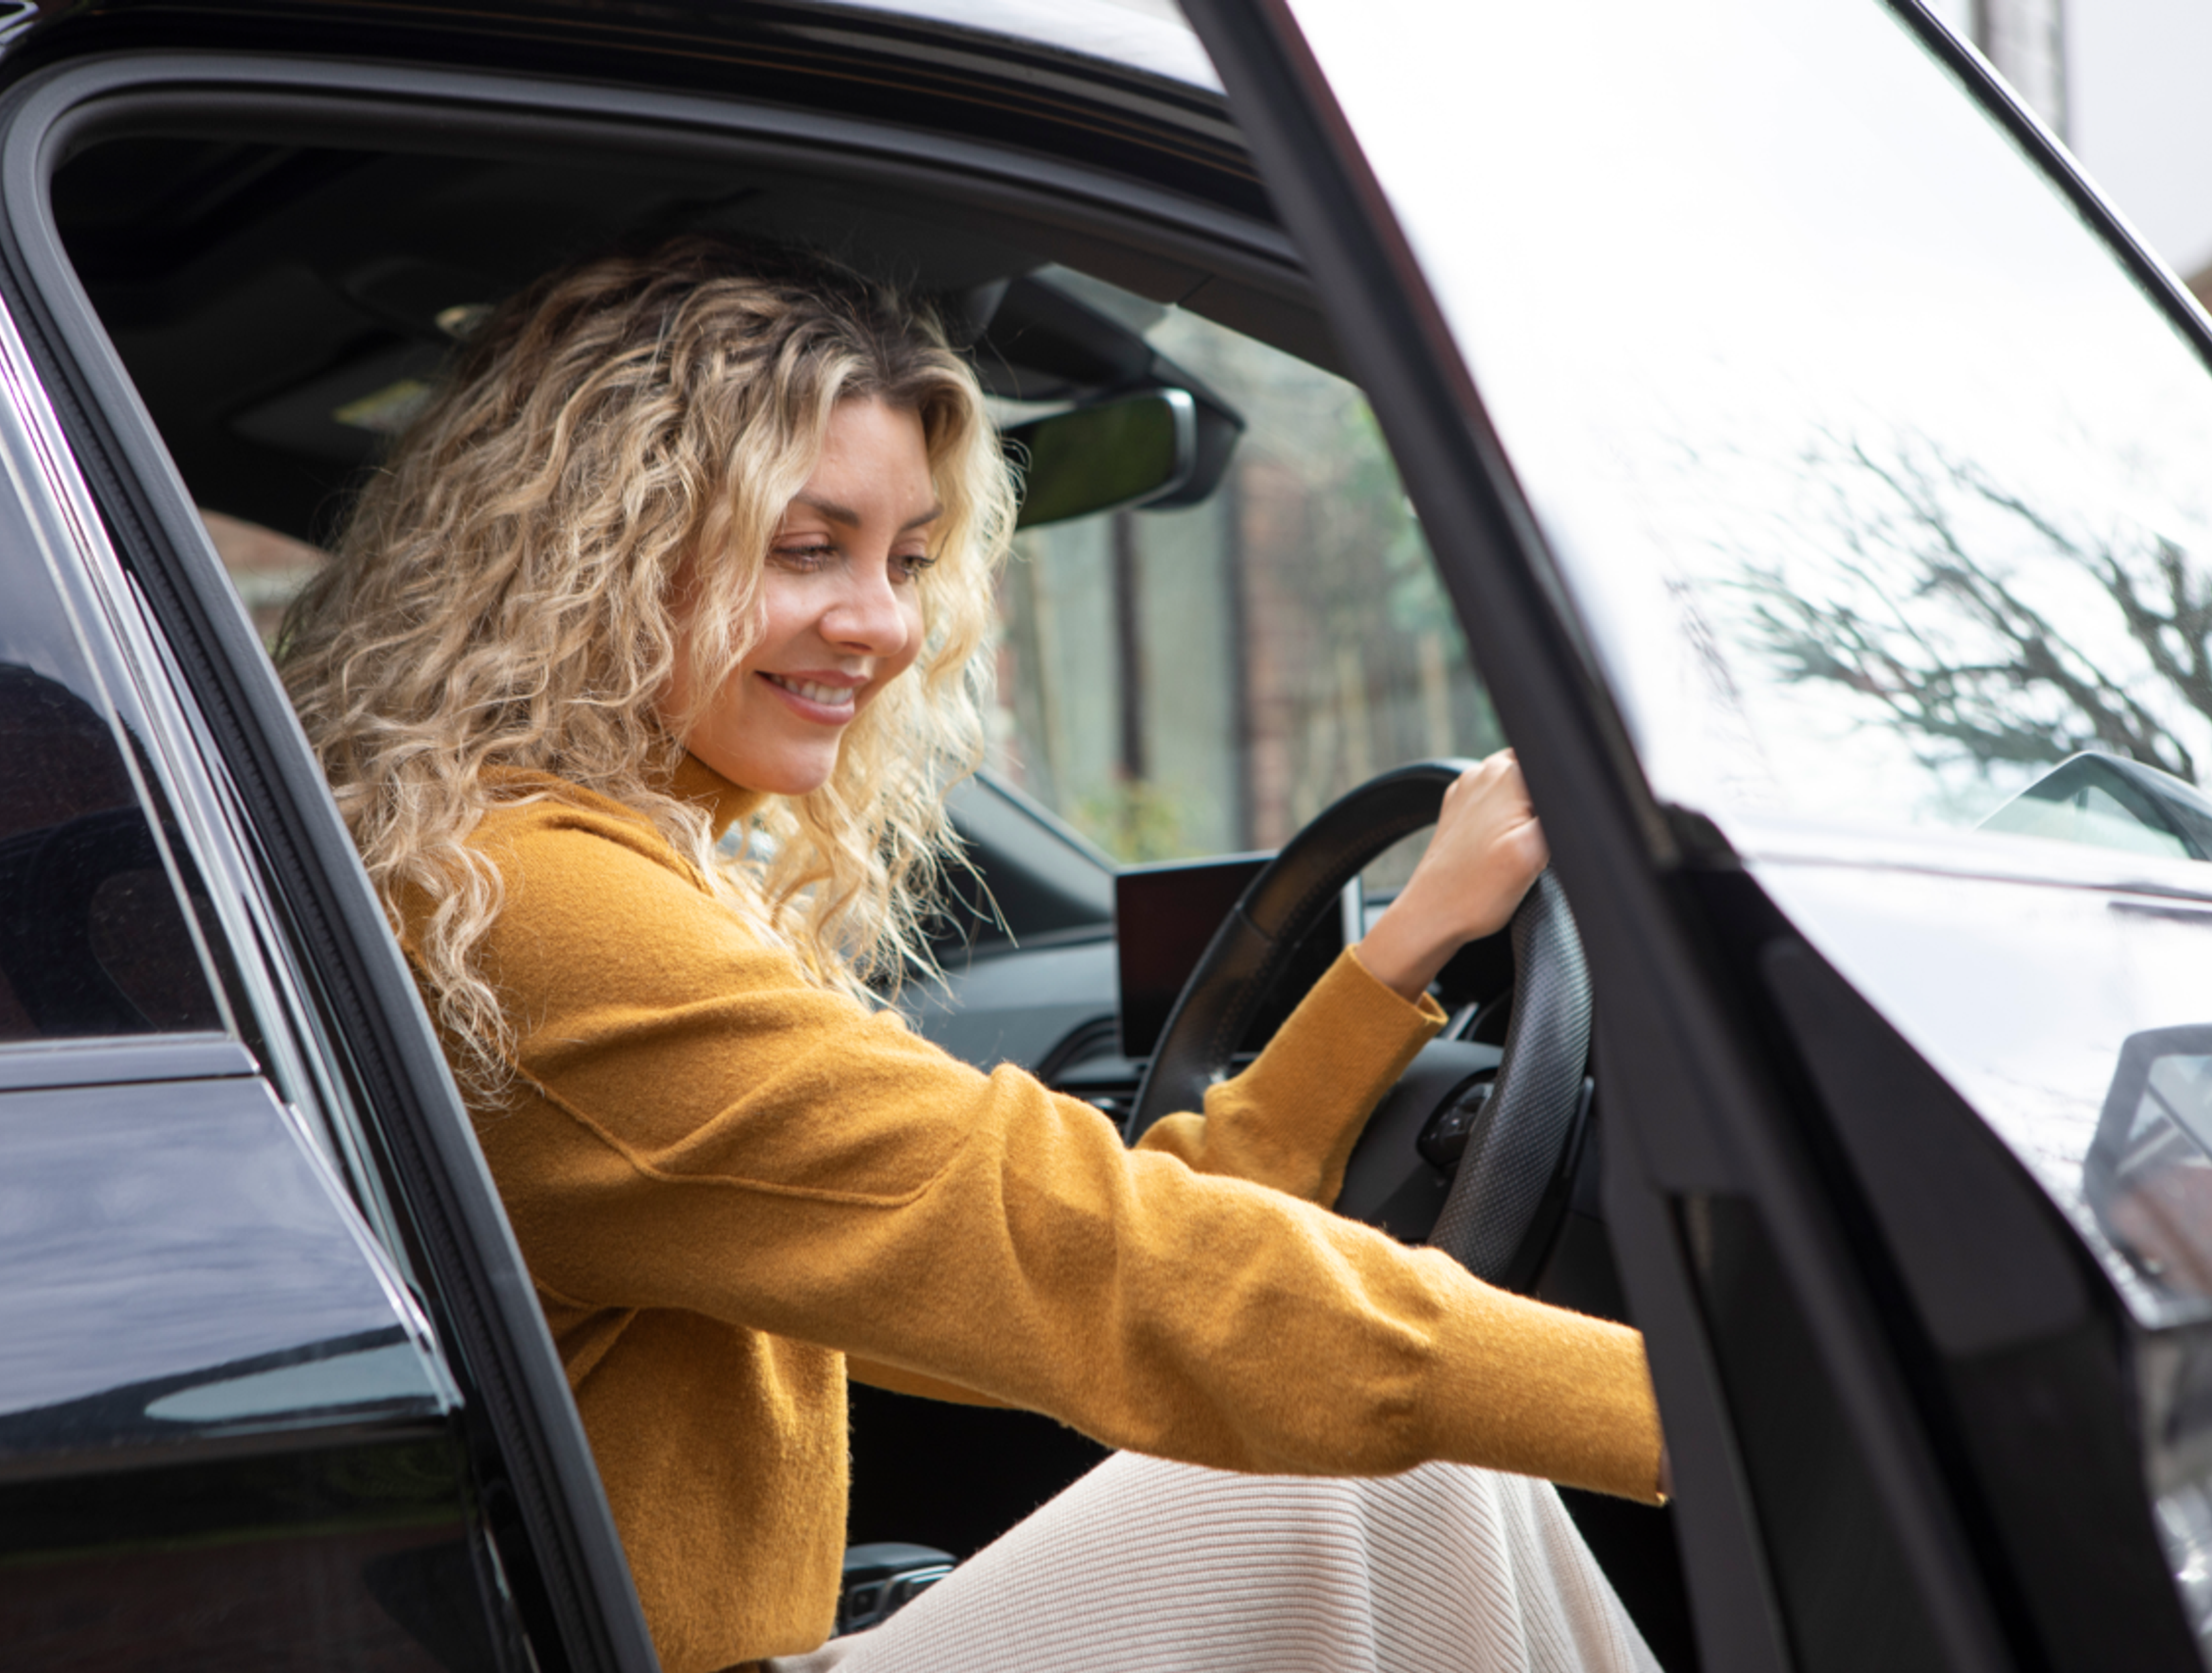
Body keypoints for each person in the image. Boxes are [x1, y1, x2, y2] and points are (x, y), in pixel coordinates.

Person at [281, 236, 1667, 1673]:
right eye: (806, 547)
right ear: (591, 548)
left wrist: (1403, 951)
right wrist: (1697, 1413)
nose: (881, 623)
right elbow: (1088, 1259)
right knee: (1407, 1484)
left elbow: (1042, 1262)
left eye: (909, 559)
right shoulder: (542, 903)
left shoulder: (536, 859)